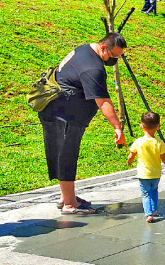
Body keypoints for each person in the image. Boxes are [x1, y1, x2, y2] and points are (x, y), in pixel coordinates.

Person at [38, 32, 127, 214]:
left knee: (62, 153)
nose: (115, 60)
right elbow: (103, 101)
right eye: (114, 56)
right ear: (103, 47)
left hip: (57, 110)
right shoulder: (93, 68)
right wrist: (117, 127)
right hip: (65, 114)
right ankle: (70, 205)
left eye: (119, 56)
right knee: (66, 154)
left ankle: (66, 197)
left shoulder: (86, 49)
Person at [127, 112, 165, 223]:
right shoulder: (159, 142)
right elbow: (164, 158)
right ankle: (154, 210)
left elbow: (132, 155)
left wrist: (129, 161)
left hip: (143, 174)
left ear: (141, 126)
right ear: (158, 126)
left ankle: (149, 214)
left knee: (145, 193)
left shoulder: (138, 142)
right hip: (156, 174)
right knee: (154, 191)